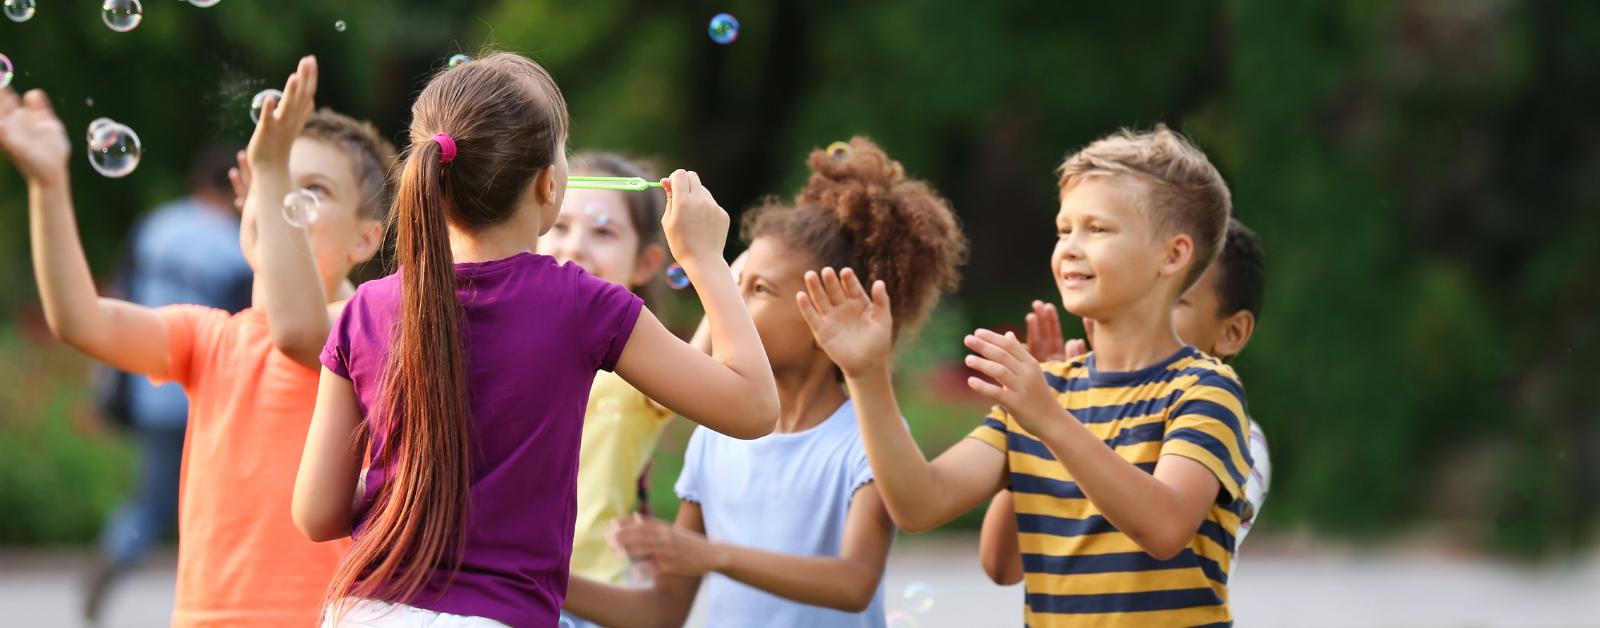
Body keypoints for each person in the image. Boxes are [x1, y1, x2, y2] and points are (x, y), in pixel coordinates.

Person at [291, 52, 780, 628]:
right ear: (549, 184)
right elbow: (754, 407)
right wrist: (705, 258)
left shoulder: (365, 308)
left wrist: (404, 501)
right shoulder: (582, 304)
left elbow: (316, 514)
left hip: (367, 612)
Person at [798, 125, 1253, 627]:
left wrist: (1049, 419)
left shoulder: (1205, 389)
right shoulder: (1046, 391)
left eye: (1097, 229)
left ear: (1173, 255)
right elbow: (920, 503)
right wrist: (866, 374)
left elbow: (1166, 526)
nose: (1071, 248)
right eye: (1064, 230)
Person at [0, 56, 395, 627]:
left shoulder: (365, 323)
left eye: (311, 189)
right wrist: (48, 184)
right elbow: (79, 320)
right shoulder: (207, 337)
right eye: (274, 181)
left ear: (366, 238)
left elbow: (296, 332)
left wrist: (270, 169)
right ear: (246, 203)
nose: (283, 200)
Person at [562, 137, 968, 628]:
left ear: (831, 312)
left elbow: (855, 582)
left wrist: (714, 555)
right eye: (733, 283)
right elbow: (661, 613)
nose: (730, 303)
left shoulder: (870, 441)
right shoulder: (713, 440)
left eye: (758, 289)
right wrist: (529, 573)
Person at [978, 217, 1271, 585]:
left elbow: (1158, 531)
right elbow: (1002, 565)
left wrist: (1061, 425)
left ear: (1231, 332)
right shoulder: (1075, 418)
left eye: (1169, 299)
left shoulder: (1241, 440)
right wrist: (1039, 427)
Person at [82, 144, 253, 621]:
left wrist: (102, 381)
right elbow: (247, 326)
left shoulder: (156, 225)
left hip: (149, 381)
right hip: (207, 391)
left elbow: (119, 298)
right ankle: (138, 557)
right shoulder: (239, 245)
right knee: (208, 503)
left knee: (154, 495)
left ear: (196, 180)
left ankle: (118, 550)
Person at [534, 152, 673, 625]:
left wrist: (707, 260)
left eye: (604, 232)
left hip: (588, 605)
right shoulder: (502, 343)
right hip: (497, 593)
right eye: (560, 225)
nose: (575, 247)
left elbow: (716, 372)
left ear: (647, 262)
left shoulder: (640, 370)